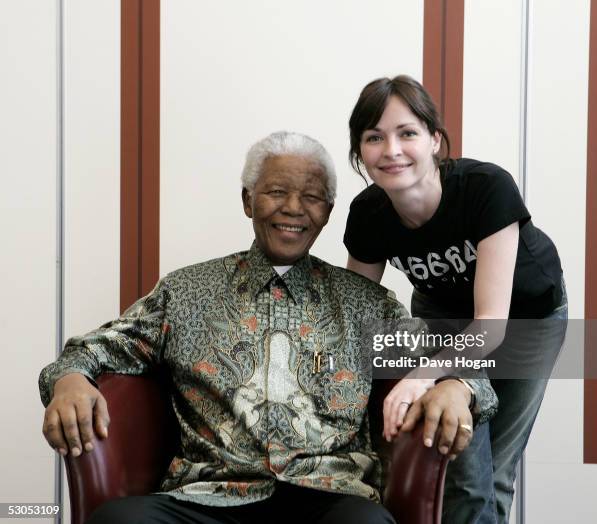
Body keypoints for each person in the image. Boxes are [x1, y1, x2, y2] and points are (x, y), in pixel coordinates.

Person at [39, 131, 497, 524]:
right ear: (248, 200)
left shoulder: (364, 304)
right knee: (118, 521)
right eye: (277, 192)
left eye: (312, 196)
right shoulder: (185, 292)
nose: (294, 208)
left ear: (328, 210)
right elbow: (96, 348)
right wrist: (70, 379)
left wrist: (458, 386)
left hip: (329, 497)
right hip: (208, 497)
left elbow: (451, 358)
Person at [343, 75, 568, 524]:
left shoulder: (486, 188)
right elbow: (357, 315)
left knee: (497, 466)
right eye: (374, 137)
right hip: (443, 314)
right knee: (461, 461)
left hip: (524, 319)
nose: (391, 150)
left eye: (407, 133)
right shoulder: (368, 215)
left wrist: (420, 376)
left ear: (434, 140)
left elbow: (490, 324)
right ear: (359, 154)